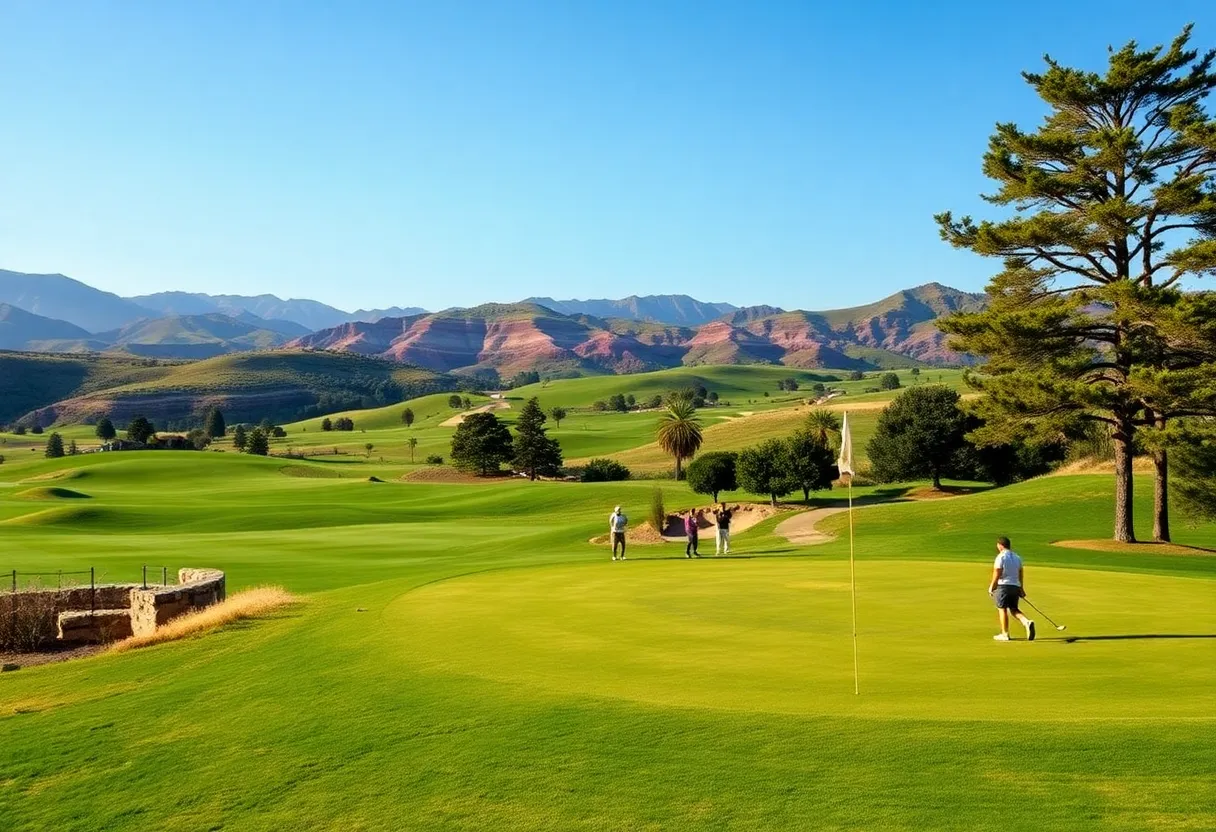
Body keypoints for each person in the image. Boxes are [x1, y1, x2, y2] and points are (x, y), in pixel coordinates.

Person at [988, 536, 1035, 641]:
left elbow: (997, 572)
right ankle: (1026, 622)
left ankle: (1005, 634)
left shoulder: (1001, 557)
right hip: (1015, 586)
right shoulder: (1017, 557)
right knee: (1014, 608)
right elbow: (1020, 573)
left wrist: (992, 586)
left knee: (1002, 609)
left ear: (1000, 545)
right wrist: (1021, 588)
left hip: (1003, 586)